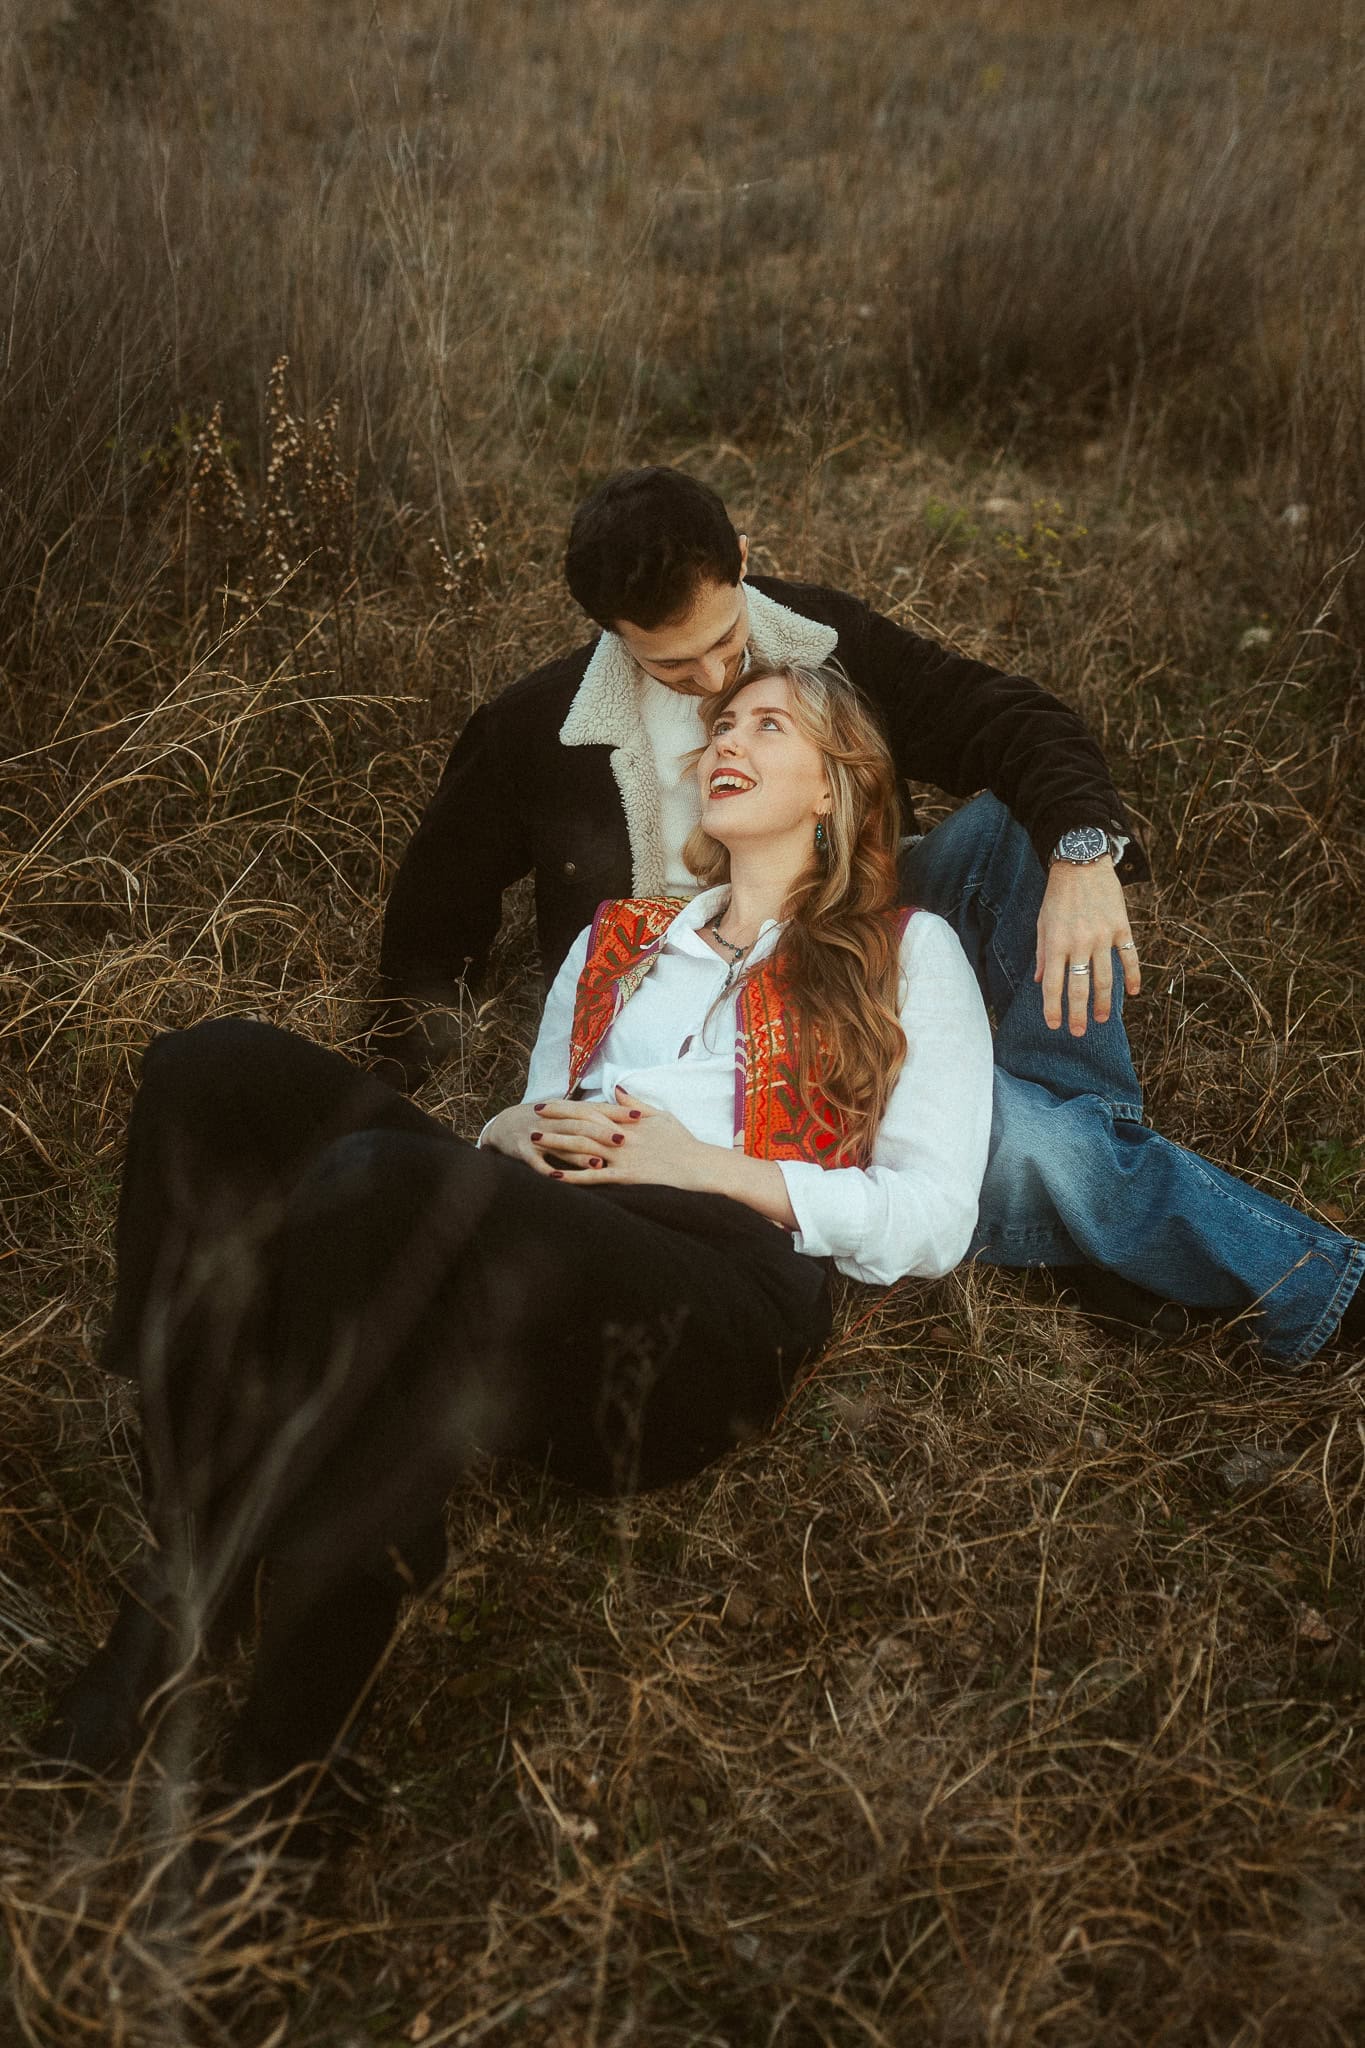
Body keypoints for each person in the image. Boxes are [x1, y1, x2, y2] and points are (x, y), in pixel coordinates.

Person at [39, 664, 996, 1848]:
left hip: (711, 1295)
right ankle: (202, 1542)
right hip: (536, 1213)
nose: (724, 742)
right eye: (719, 726)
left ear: (840, 786)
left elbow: (935, 1212)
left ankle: (276, 1745)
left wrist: (708, 1165)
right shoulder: (620, 936)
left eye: (767, 725)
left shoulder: (909, 951)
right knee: (210, 1069)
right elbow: (530, 1117)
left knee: (371, 1185)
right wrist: (502, 1128)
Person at [374, 466, 1364, 1363]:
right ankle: (1215, 1254)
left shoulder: (821, 634)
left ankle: (1085, 1144)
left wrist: (1080, 852)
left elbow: (1004, 716)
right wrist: (412, 1054)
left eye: (726, 643)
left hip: (866, 926)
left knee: (1020, 823)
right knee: (1026, 1149)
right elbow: (437, 895)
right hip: (733, 1016)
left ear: (745, 564)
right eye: (676, 669)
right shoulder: (533, 731)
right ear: (611, 632)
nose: (717, 678)